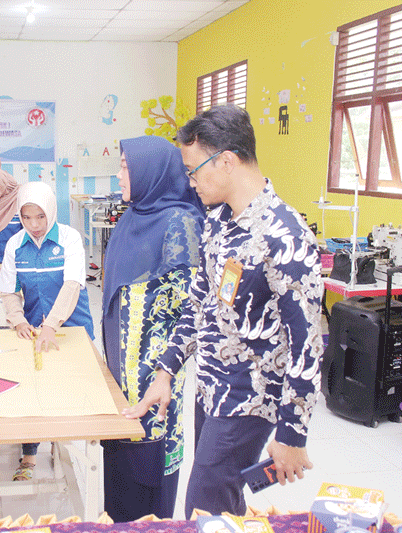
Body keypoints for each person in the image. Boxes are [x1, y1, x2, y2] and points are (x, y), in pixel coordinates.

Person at [126, 105, 322, 518]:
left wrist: (292, 432)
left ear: (227, 161)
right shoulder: (217, 221)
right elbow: (199, 302)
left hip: (250, 398)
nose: (189, 180)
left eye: (194, 169)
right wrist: (166, 371)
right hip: (211, 388)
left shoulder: (283, 235)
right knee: (223, 504)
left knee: (203, 503)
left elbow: (307, 343)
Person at [101, 135, 205, 521]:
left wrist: (163, 372)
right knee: (119, 492)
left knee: (148, 497)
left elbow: (192, 312)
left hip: (155, 385)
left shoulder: (181, 224)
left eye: (126, 166)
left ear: (152, 170)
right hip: (120, 380)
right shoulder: (133, 217)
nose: (119, 174)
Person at [0, 181, 94, 481]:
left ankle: (59, 443)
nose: (34, 225)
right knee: (31, 389)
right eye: (26, 217)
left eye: (40, 216)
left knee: (64, 390)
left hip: (71, 327)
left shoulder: (70, 239)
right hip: (33, 330)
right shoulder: (15, 244)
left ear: (50, 211)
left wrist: (52, 324)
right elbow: (9, 290)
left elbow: (72, 284)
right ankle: (29, 453)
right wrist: (18, 320)